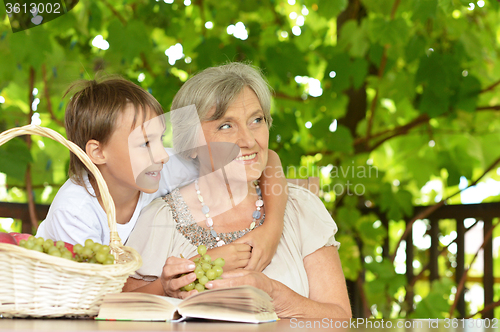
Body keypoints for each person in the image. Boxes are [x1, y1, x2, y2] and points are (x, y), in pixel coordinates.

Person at [124, 63, 352, 318]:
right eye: (226, 126)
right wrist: (165, 289)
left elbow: (339, 319)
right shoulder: (159, 219)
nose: (249, 140)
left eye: (256, 120)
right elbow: (117, 310)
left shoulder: (301, 209)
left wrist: (274, 294)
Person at [36, 76, 288, 272]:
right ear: (98, 152)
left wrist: (272, 229)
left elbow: (269, 160)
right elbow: (98, 299)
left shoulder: (157, 168)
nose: (163, 155)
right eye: (145, 143)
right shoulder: (75, 212)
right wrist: (197, 266)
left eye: (159, 139)